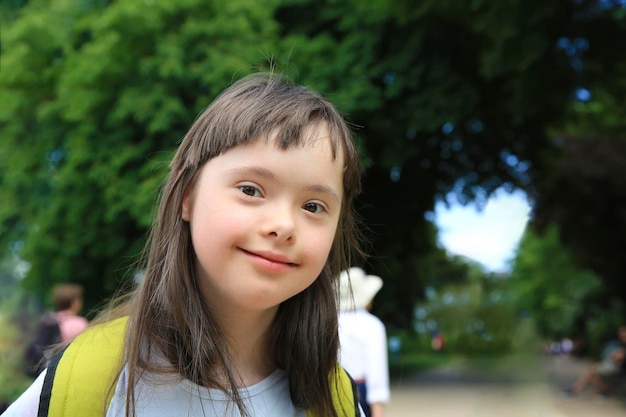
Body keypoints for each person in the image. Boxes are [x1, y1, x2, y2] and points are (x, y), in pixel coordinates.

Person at [2, 71, 365, 417]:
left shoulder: (336, 399)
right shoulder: (86, 378)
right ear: (186, 195)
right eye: (250, 190)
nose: (284, 226)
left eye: (313, 206)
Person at [338, 267, 390, 417]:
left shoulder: (328, 322)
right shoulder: (372, 325)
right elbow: (376, 372)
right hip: (360, 390)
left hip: (330, 388)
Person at [23, 283, 89, 377]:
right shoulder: (80, 323)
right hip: (68, 370)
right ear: (74, 302)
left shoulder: (48, 320)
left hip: (48, 369)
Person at [565, 325, 626, 397]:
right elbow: (615, 356)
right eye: (620, 333)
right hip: (613, 365)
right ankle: (603, 391)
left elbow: (617, 358)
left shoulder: (622, 346)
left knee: (591, 370)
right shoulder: (620, 344)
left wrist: (617, 355)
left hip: (617, 367)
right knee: (591, 371)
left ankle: (575, 390)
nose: (621, 335)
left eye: (623, 333)